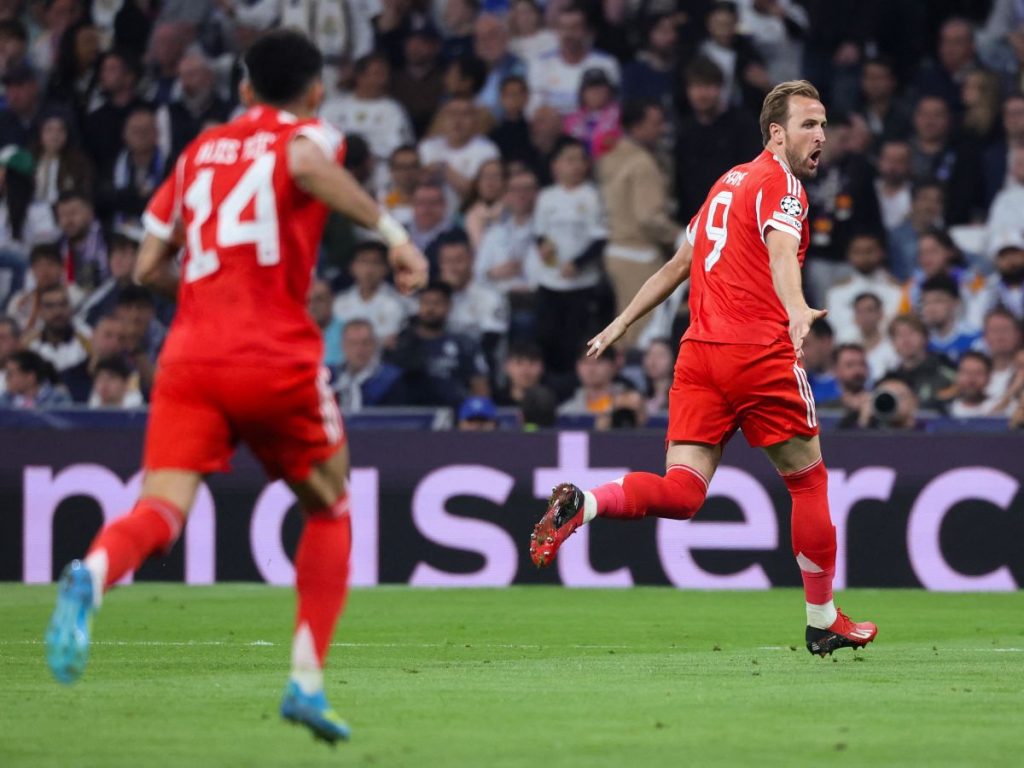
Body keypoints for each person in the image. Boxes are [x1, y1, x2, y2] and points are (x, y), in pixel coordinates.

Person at [43, 30, 428, 746]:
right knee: (331, 506)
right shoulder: (308, 134)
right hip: (273, 355)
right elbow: (304, 163)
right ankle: (305, 682)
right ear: (315, 91)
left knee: (161, 509)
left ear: (244, 88)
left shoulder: (197, 151)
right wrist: (395, 234)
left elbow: (147, 265)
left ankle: (92, 573)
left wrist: (204, 293)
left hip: (190, 357)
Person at [530, 80, 877, 656]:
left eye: (823, 124)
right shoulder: (782, 185)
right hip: (757, 354)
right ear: (777, 133)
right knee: (808, 480)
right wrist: (796, 308)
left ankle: (584, 504)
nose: (822, 135)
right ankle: (822, 620)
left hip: (698, 357)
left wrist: (622, 322)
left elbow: (678, 265)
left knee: (683, 491)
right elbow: (782, 251)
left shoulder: (726, 182)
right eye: (809, 125)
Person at [599, 99, 682, 350]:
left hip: (614, 251)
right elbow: (649, 218)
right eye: (655, 123)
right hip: (639, 255)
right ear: (636, 127)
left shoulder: (609, 158)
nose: (662, 129)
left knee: (620, 326)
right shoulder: (643, 163)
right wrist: (683, 235)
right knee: (641, 330)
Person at [331, 241, 407, 350]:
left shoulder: (400, 303)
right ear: (352, 267)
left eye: (375, 263)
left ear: (386, 268)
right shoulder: (338, 302)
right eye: (363, 262)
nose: (369, 269)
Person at [332, 319, 406, 411]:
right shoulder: (330, 377)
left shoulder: (392, 379)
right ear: (343, 345)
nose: (359, 349)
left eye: (365, 343)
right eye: (353, 343)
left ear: (374, 344)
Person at [919, 274, 980, 363]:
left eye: (938, 301)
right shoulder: (921, 342)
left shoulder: (974, 339)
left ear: (956, 303)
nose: (931, 308)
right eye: (926, 302)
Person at [0, 347, 72, 408]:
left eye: (10, 374)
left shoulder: (58, 400)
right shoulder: (5, 400)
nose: (7, 378)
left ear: (30, 377)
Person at [948, 351, 1000, 418]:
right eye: (966, 372)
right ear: (957, 375)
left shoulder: (1000, 410)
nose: (971, 379)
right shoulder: (944, 410)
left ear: (989, 377)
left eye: (978, 373)